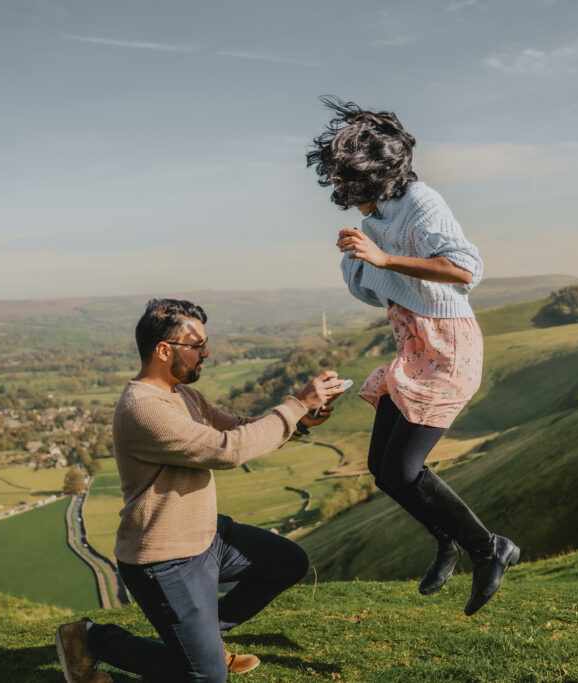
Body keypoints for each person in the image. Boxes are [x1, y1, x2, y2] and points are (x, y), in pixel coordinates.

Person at [55, 298, 346, 683]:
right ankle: (92, 638)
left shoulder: (183, 394)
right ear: (163, 350)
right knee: (207, 679)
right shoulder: (142, 408)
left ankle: (202, 642)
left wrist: (302, 420)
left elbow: (238, 427)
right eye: (196, 346)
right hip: (165, 558)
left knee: (288, 562)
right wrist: (295, 405)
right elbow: (228, 451)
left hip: (208, 535)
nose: (205, 352)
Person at [306, 97, 519, 616]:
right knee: (383, 470)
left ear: (373, 176)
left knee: (404, 470)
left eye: (346, 183)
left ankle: (488, 549)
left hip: (448, 350)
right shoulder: (379, 212)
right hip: (415, 349)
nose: (341, 193)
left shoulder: (422, 203)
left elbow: (466, 269)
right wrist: (358, 261)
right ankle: (447, 540)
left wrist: (381, 257)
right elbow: (378, 289)